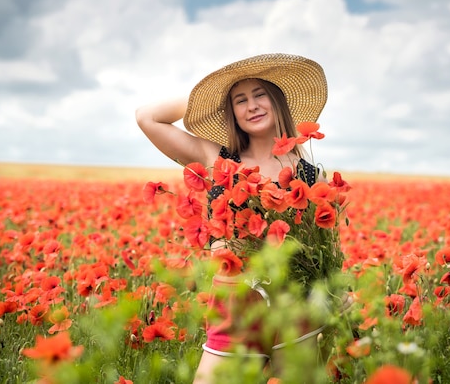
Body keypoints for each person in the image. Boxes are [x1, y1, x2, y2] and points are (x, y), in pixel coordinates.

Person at [136, 53, 333, 383]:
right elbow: (147, 117)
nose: (252, 106)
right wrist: (210, 97)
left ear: (277, 101)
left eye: (260, 95)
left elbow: (324, 252)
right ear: (232, 112)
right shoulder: (216, 156)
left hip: (294, 303)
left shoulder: (311, 173)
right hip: (234, 301)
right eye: (240, 101)